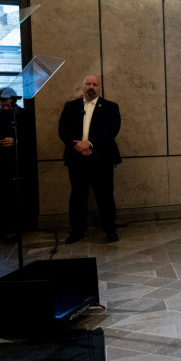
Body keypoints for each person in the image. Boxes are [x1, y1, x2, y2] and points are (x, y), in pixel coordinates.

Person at [58, 74, 121, 243]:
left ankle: (110, 230)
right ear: (83, 86)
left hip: (102, 158)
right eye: (88, 84)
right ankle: (77, 231)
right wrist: (78, 146)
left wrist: (90, 144)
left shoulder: (110, 107)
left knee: (105, 196)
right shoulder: (70, 106)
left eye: (95, 84)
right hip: (76, 158)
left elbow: (111, 131)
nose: (91, 87)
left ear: (99, 87)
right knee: (78, 196)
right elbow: (63, 130)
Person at [0, 87, 37, 242]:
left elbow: (32, 139)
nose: (4, 108)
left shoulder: (25, 115)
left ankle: (18, 228)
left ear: (14, 100)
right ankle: (1, 230)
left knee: (17, 196)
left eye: (7, 105)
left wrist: (16, 141)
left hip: (17, 162)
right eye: (1, 104)